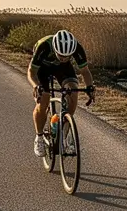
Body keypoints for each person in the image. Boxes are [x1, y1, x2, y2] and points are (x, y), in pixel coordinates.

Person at [26, 29, 95, 157]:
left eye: (67, 56)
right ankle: (39, 138)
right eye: (61, 55)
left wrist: (90, 87)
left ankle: (64, 134)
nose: (63, 58)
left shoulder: (76, 48)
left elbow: (85, 71)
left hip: (62, 69)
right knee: (44, 99)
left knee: (73, 92)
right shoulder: (44, 46)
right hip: (42, 69)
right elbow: (31, 72)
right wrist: (36, 86)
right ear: (55, 49)